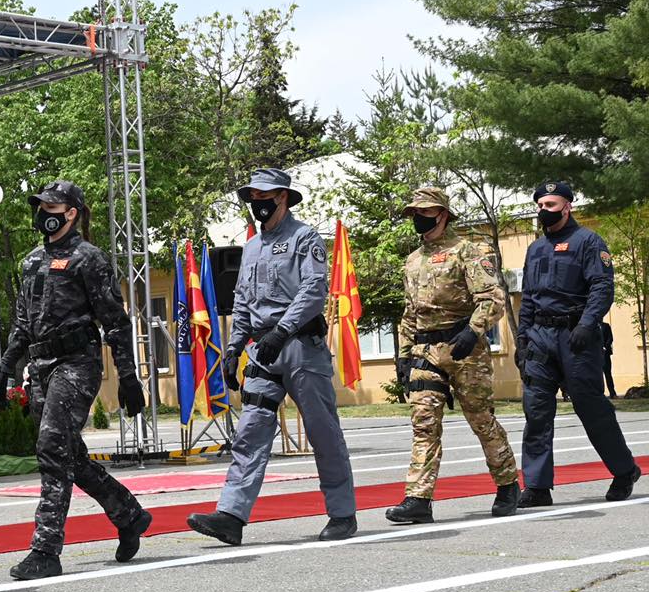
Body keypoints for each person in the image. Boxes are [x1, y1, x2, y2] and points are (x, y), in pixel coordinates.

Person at [0, 179, 153, 581]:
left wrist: (128, 376)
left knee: (51, 447)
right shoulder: (31, 262)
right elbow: (23, 323)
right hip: (41, 366)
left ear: (72, 213)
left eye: (52, 207)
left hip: (77, 364)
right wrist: (4, 367)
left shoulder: (89, 259)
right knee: (69, 456)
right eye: (41, 207)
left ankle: (46, 550)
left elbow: (115, 322)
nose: (43, 213)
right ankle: (128, 514)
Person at [187, 168, 357, 544]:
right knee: (250, 431)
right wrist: (233, 349)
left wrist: (283, 330)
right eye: (253, 197)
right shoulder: (251, 246)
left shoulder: (304, 237)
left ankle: (342, 513)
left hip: (300, 347)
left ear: (282, 196)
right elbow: (243, 301)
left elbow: (313, 289)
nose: (258, 203)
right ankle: (231, 515)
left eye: (264, 196)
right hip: (262, 351)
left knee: (322, 432)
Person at [385, 187, 519, 524]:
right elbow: (410, 313)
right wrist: (404, 355)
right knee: (424, 423)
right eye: (415, 212)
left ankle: (507, 485)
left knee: (481, 419)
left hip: (465, 350)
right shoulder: (413, 260)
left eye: (425, 211)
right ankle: (418, 499)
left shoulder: (467, 251)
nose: (418, 217)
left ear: (443, 214)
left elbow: (492, 298)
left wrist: (473, 331)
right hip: (426, 351)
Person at [516, 180, 640, 506]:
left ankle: (624, 470)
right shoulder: (535, 249)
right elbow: (528, 298)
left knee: (591, 408)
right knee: (536, 412)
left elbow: (602, 286)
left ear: (567, 207)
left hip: (576, 337)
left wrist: (587, 324)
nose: (544, 210)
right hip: (540, 338)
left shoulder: (588, 241)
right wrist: (522, 339)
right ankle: (537, 487)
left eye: (551, 205)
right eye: (540, 205)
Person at [602, 321, 617, 399]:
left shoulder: (606, 326)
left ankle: (612, 393)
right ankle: (600, 394)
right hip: (595, 355)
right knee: (598, 375)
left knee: (608, 373)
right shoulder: (592, 326)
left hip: (605, 354)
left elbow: (610, 338)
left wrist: (605, 347)